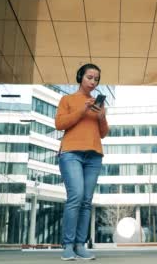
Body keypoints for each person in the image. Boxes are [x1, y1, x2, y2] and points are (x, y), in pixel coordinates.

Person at [55, 63, 109, 261]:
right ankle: (68, 245)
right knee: (76, 197)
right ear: (80, 77)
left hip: (94, 155)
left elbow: (103, 133)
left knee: (86, 202)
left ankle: (80, 245)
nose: (93, 82)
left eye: (96, 79)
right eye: (89, 77)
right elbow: (60, 124)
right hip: (71, 154)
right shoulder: (67, 99)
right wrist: (82, 110)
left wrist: (101, 117)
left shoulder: (99, 104)